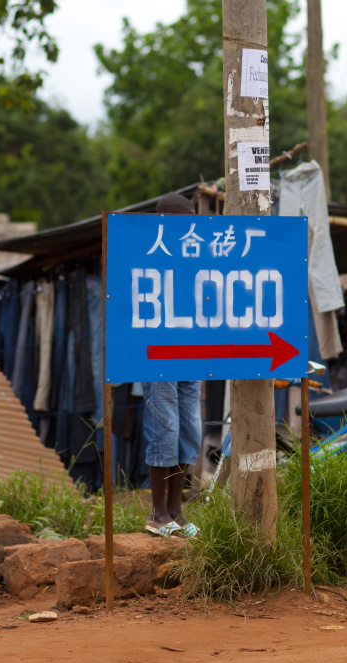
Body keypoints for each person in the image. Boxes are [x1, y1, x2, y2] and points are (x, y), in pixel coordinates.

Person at [142, 193, 202, 537]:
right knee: (164, 429)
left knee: (189, 431)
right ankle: (157, 514)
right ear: (162, 220)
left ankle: (176, 513)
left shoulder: (195, 253)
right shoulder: (150, 250)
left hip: (192, 353)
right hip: (159, 354)